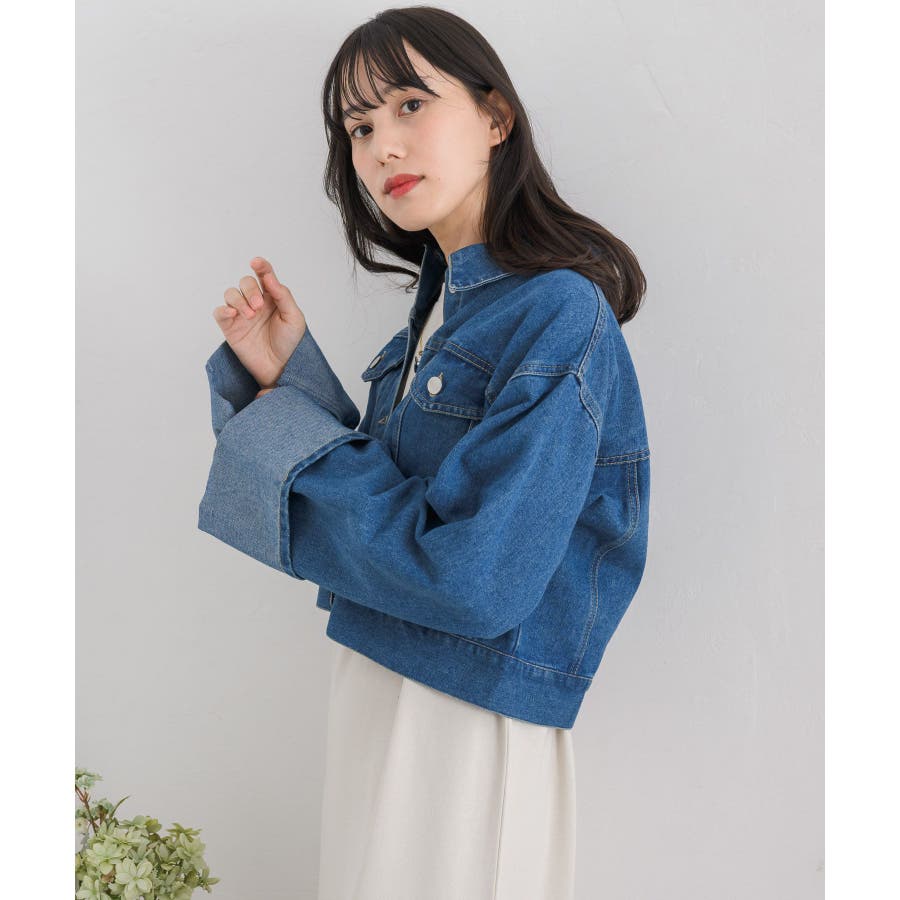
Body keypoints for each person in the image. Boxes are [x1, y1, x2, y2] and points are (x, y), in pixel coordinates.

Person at [198, 7, 651, 899]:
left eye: (410, 105)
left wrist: (292, 431)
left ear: (495, 116)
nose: (383, 147)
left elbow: (476, 580)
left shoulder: (557, 312)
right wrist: (291, 382)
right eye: (359, 127)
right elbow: (400, 509)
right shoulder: (442, 312)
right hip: (379, 686)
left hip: (469, 723)